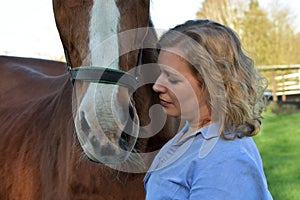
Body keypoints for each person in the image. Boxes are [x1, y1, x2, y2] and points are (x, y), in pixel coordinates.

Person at [143, 19, 273, 199]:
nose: (157, 86)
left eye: (172, 78)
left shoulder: (226, 159)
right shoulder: (191, 135)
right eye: (160, 73)